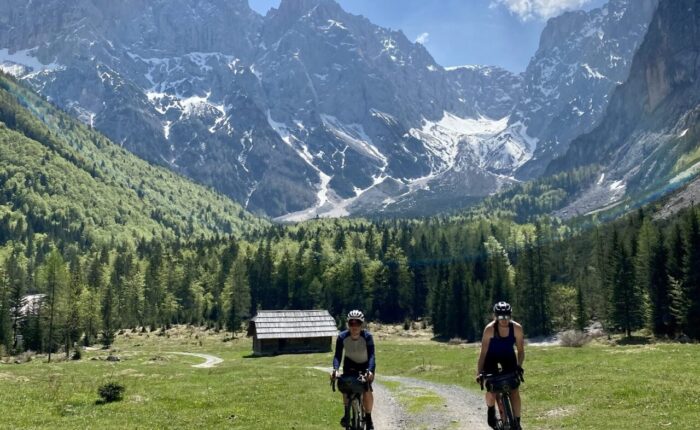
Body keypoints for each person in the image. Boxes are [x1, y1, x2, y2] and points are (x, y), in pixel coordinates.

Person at [476, 301, 525, 430]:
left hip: (508, 356)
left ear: (510, 316)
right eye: (501, 317)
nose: (504, 320)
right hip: (490, 358)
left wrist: (519, 366)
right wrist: (479, 372)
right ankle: (491, 410)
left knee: (514, 389)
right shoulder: (489, 329)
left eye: (507, 316)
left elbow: (520, 351)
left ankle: (517, 422)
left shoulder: (517, 328)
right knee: (492, 391)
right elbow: (483, 353)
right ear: (496, 316)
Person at [331, 309, 376, 429]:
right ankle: (347, 414)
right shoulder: (341, 337)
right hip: (350, 365)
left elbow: (372, 356)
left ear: (362, 324)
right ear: (348, 324)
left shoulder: (367, 337)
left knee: (366, 389)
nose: (355, 326)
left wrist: (370, 371)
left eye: (358, 323)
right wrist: (335, 369)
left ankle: (368, 418)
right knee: (346, 386)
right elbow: (337, 355)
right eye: (352, 323)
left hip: (365, 366)